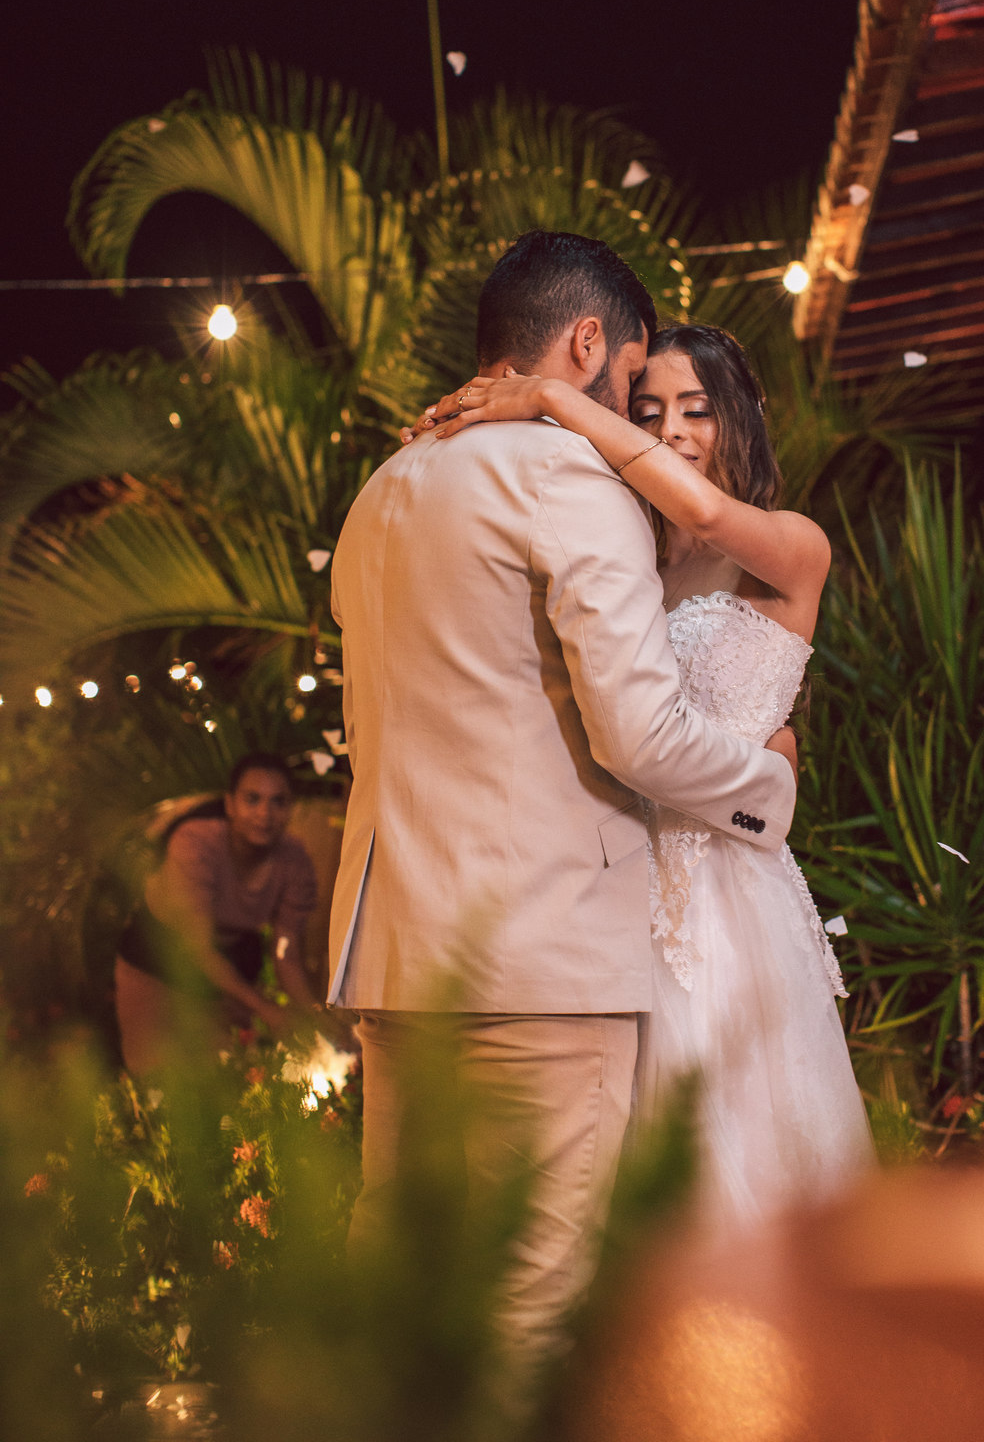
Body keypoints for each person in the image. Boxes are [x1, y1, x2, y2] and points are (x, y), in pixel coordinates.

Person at [326, 232, 798, 1370]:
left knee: (403, 1287)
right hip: (540, 964)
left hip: (397, 957)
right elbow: (637, 733)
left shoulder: (384, 490)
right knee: (536, 1308)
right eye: (636, 386)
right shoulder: (566, 480)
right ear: (589, 343)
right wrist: (767, 786)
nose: (643, 423)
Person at [420, 322, 873, 1227]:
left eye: (697, 411)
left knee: (741, 1154)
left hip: (733, 897)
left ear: (744, 416)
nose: (672, 431)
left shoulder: (792, 544)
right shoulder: (631, 556)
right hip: (622, 880)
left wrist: (551, 397)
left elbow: (705, 514)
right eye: (651, 409)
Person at [115, 752, 321, 1073]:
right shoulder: (196, 843)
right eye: (252, 799)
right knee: (155, 1079)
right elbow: (197, 946)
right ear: (230, 804)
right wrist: (266, 1009)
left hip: (222, 973)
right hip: (155, 964)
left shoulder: (294, 861)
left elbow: (286, 949)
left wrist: (311, 1014)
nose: (265, 813)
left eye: (278, 801)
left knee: (222, 1077)